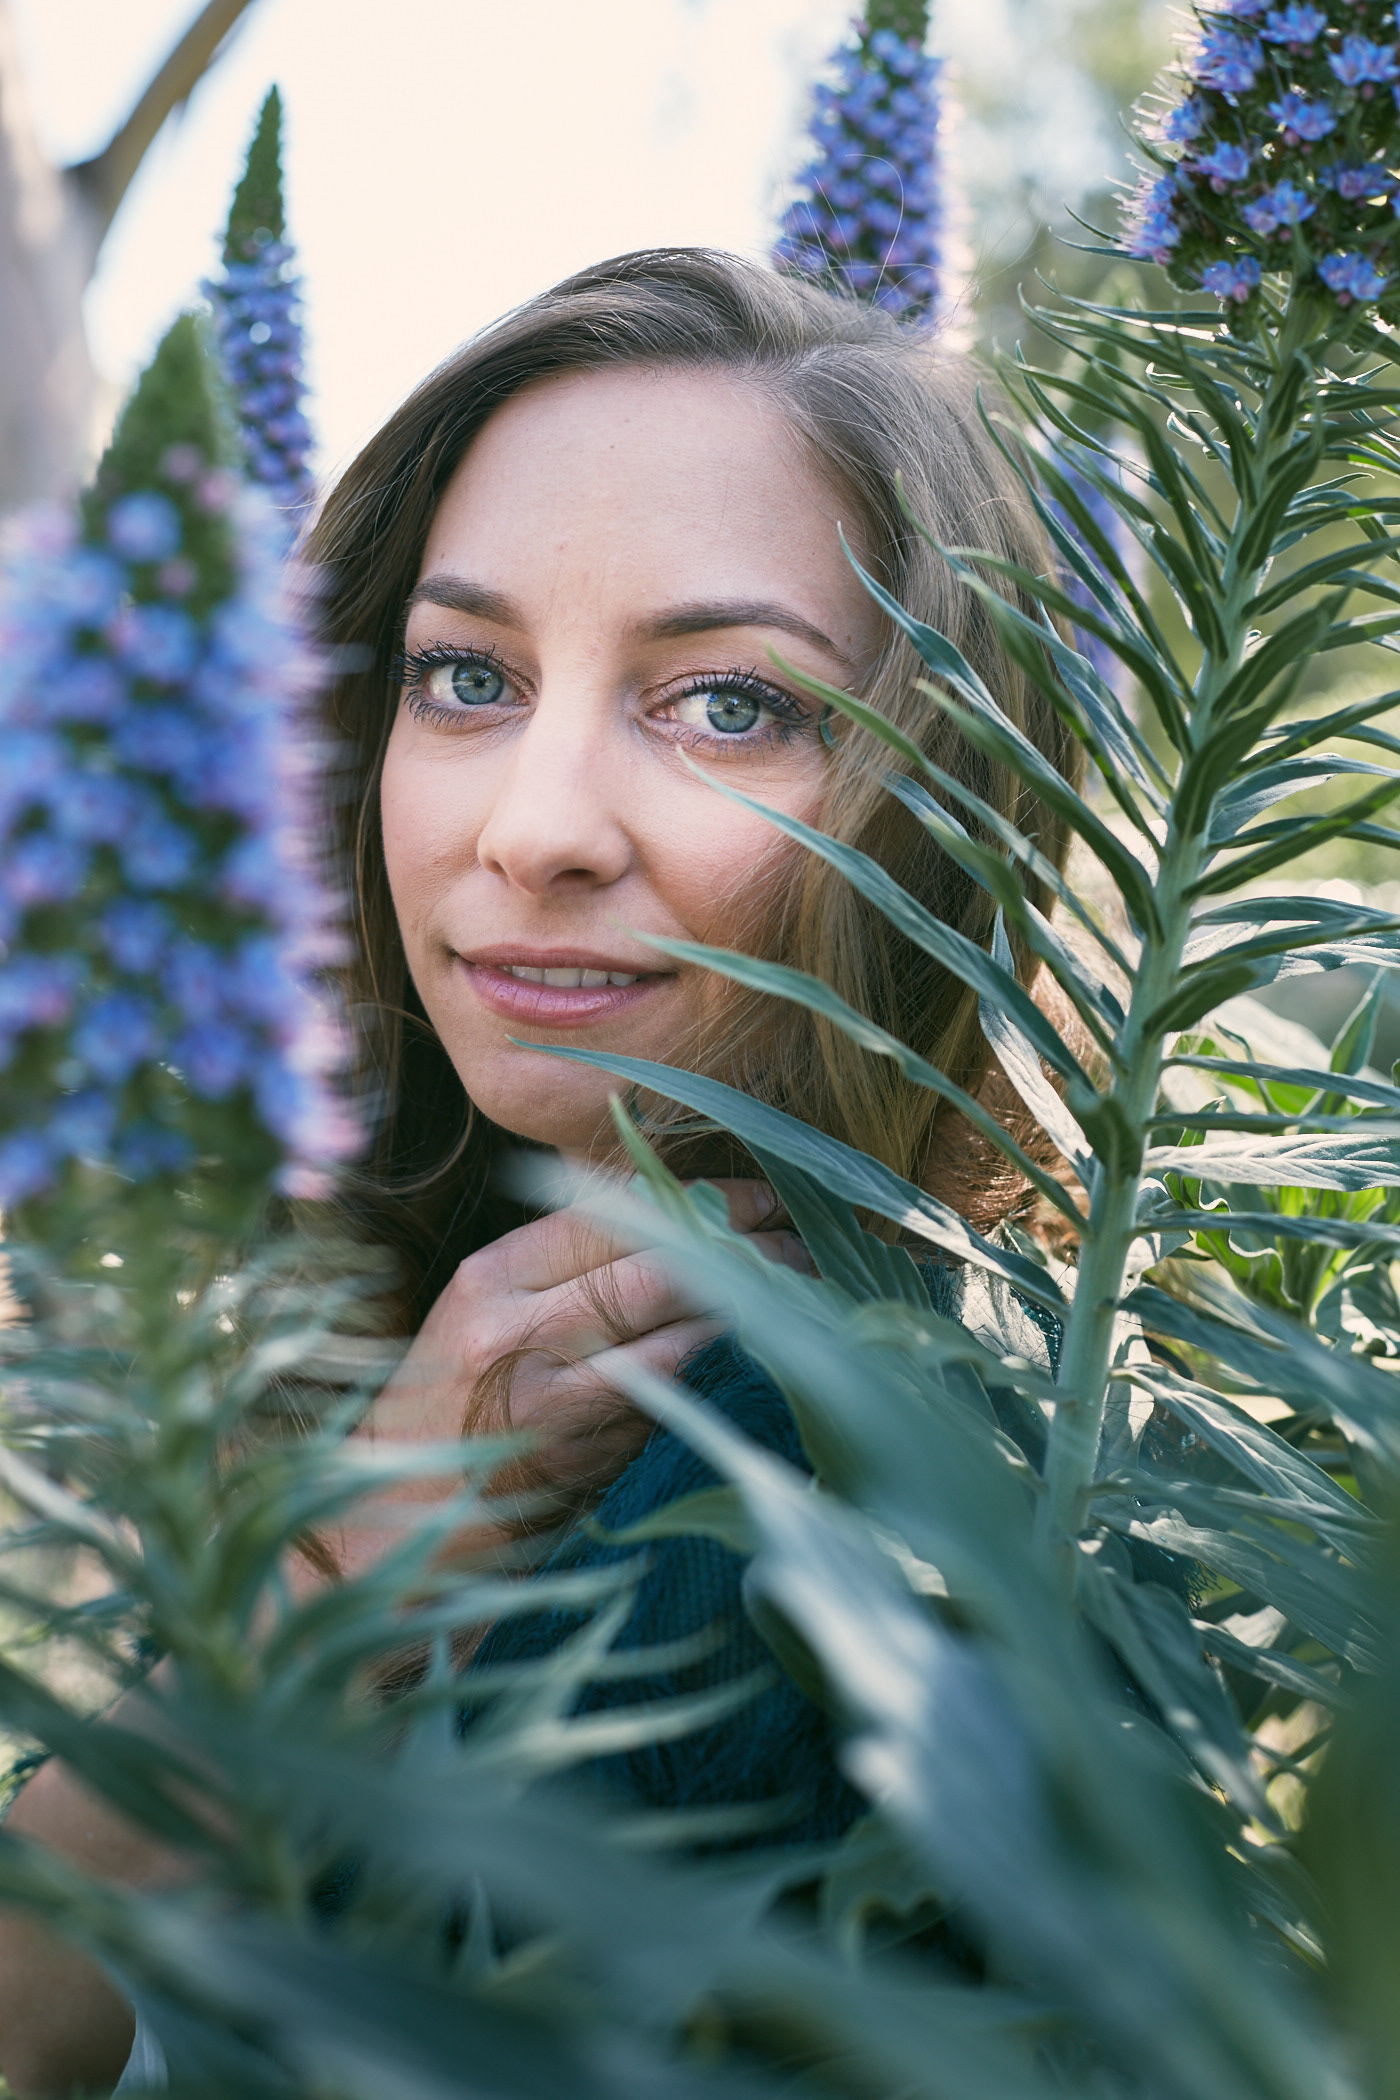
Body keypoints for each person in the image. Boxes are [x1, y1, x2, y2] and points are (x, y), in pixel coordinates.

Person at [0, 248, 1074, 2097]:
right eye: (467, 675)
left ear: (948, 794)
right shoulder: (446, 1331)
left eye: (728, 702)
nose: (536, 828)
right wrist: (365, 1547)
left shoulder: (808, 1480)